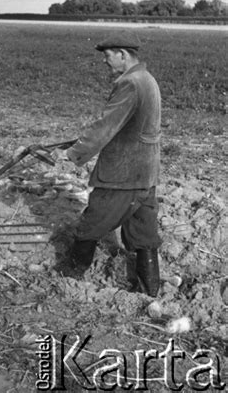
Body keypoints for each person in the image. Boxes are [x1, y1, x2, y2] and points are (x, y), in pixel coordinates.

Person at [54, 31, 162, 297]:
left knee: (90, 226)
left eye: (107, 56)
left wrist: (72, 154)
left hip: (122, 175)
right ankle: (149, 292)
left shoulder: (130, 84)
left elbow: (106, 126)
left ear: (122, 55)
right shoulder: (147, 80)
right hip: (145, 174)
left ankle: (70, 280)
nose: (104, 61)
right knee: (143, 233)